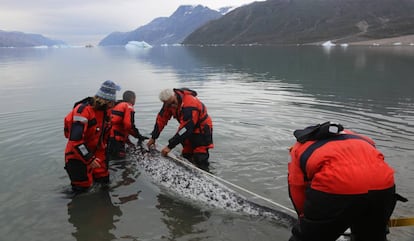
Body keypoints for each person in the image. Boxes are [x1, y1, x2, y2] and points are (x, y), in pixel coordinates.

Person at [287, 121, 397, 241]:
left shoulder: (298, 148)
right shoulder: (361, 139)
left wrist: (305, 219)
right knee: (373, 236)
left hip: (337, 187)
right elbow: (374, 163)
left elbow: (296, 188)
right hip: (384, 186)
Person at [64, 80, 120, 192]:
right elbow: (76, 141)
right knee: (82, 190)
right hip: (77, 156)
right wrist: (89, 158)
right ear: (105, 100)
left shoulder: (106, 112)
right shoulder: (82, 111)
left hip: (97, 153)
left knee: (104, 182)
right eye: (111, 103)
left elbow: (105, 136)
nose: (112, 105)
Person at [147, 88, 213, 171]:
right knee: (186, 154)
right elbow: (161, 120)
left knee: (200, 156)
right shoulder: (168, 102)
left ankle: (206, 174)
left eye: (173, 103)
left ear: (174, 95)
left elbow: (186, 128)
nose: (172, 106)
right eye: (169, 105)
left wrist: (169, 146)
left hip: (201, 129)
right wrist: (153, 137)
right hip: (186, 127)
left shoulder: (189, 104)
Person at [108, 90, 147, 160]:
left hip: (109, 136)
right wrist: (138, 136)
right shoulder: (128, 107)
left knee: (112, 157)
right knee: (121, 160)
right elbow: (128, 125)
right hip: (117, 138)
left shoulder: (117, 105)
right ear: (132, 99)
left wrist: (129, 142)